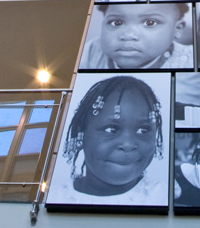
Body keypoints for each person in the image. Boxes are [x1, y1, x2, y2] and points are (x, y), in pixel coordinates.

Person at [50, 76, 164, 204]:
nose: (128, 144)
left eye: (143, 130)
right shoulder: (54, 198)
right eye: (111, 130)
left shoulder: (164, 197)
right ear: (80, 133)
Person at [80, 2, 191, 70]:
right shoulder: (88, 53)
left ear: (177, 29)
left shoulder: (189, 61)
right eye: (116, 23)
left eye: (150, 23)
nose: (129, 35)